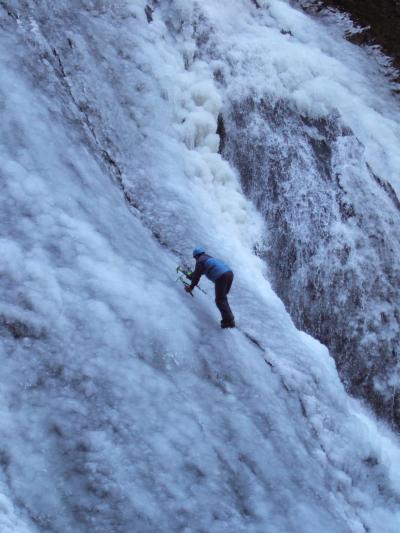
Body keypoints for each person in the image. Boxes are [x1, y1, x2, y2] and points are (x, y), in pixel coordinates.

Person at [185, 246, 235, 328]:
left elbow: (197, 276)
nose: (195, 260)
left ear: (196, 256)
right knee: (222, 299)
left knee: (220, 300)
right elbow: (198, 273)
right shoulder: (208, 258)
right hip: (229, 274)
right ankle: (229, 319)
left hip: (221, 276)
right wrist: (191, 275)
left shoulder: (200, 261)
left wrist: (191, 287)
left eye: (195, 258)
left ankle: (228, 321)